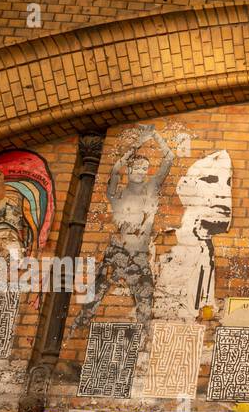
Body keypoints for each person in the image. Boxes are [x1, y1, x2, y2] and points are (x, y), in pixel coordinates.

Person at [69, 126, 174, 335]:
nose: (140, 172)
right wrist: (137, 143)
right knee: (93, 298)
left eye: (144, 168)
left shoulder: (152, 189)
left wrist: (154, 135)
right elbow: (115, 169)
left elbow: (169, 158)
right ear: (129, 170)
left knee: (145, 300)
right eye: (136, 168)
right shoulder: (117, 193)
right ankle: (76, 328)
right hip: (117, 253)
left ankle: (145, 341)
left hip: (139, 255)